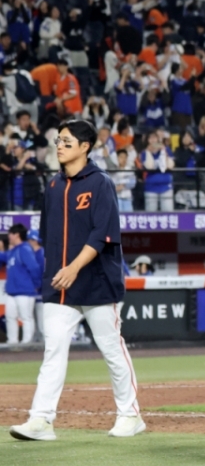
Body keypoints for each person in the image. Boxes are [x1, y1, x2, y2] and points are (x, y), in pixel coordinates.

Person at [10, 120, 143, 441]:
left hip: (97, 282)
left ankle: (130, 415)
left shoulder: (101, 182)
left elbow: (102, 235)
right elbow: (47, 235)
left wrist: (73, 268)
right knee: (52, 351)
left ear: (85, 147)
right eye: (58, 140)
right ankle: (41, 420)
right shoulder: (54, 185)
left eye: (67, 142)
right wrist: (56, 271)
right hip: (60, 285)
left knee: (112, 350)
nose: (59, 146)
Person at [2, 224, 41, 344]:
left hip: (25, 291)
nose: (9, 236)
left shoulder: (25, 249)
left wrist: (36, 285)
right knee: (10, 317)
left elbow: (34, 268)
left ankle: (27, 343)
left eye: (10, 234)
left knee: (26, 317)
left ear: (17, 235)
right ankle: (12, 342)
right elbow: (2, 257)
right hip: (12, 291)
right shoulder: (13, 251)